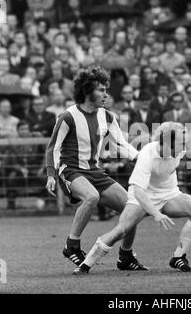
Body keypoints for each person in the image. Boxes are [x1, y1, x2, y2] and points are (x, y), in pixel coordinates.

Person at [45, 66, 146, 271]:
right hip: (70, 169)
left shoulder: (107, 116)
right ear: (87, 90)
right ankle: (72, 245)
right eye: (101, 89)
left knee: (133, 208)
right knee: (92, 197)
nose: (106, 94)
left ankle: (125, 257)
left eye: (105, 89)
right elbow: (52, 148)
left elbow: (120, 144)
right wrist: (51, 175)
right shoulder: (68, 116)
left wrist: (140, 157)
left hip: (95, 171)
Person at [74, 122, 191, 274]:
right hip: (142, 196)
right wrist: (156, 214)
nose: (185, 147)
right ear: (167, 142)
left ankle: (178, 257)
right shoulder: (148, 155)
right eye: (181, 143)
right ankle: (85, 266)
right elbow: (138, 191)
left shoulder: (179, 151)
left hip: (170, 194)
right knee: (121, 231)